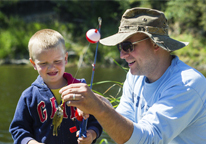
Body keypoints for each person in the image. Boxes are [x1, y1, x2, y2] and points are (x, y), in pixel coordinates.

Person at [60, 7, 206, 144]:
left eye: (127, 46)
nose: (122, 55)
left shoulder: (187, 84)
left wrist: (101, 109)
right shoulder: (135, 75)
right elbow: (125, 126)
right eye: (120, 47)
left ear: (156, 44)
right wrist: (101, 104)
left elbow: (149, 139)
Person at [9, 29, 102, 144]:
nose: (51, 68)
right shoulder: (29, 96)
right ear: (33, 64)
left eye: (57, 61)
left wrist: (92, 134)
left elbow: (97, 120)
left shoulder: (81, 89)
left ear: (66, 59)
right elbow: (18, 129)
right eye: (43, 63)